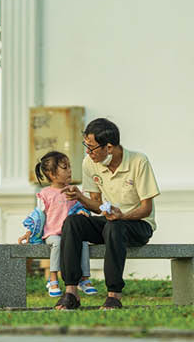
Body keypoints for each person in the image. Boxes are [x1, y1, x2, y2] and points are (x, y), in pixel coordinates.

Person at [54, 117, 160, 310]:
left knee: (114, 226)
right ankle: (71, 293)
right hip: (110, 222)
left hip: (138, 225)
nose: (88, 151)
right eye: (86, 145)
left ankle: (114, 296)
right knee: (73, 222)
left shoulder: (139, 162)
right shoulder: (90, 163)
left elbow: (147, 208)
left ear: (109, 147)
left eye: (92, 147)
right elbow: (96, 204)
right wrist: (79, 197)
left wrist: (122, 216)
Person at [18, 151, 98, 297]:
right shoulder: (45, 194)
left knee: (84, 242)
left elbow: (79, 207)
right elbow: (38, 215)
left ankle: (84, 278)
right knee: (57, 243)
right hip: (53, 233)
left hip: (72, 234)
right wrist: (29, 232)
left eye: (70, 167)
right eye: (65, 167)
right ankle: (53, 277)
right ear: (52, 174)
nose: (70, 171)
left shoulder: (73, 191)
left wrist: (82, 212)